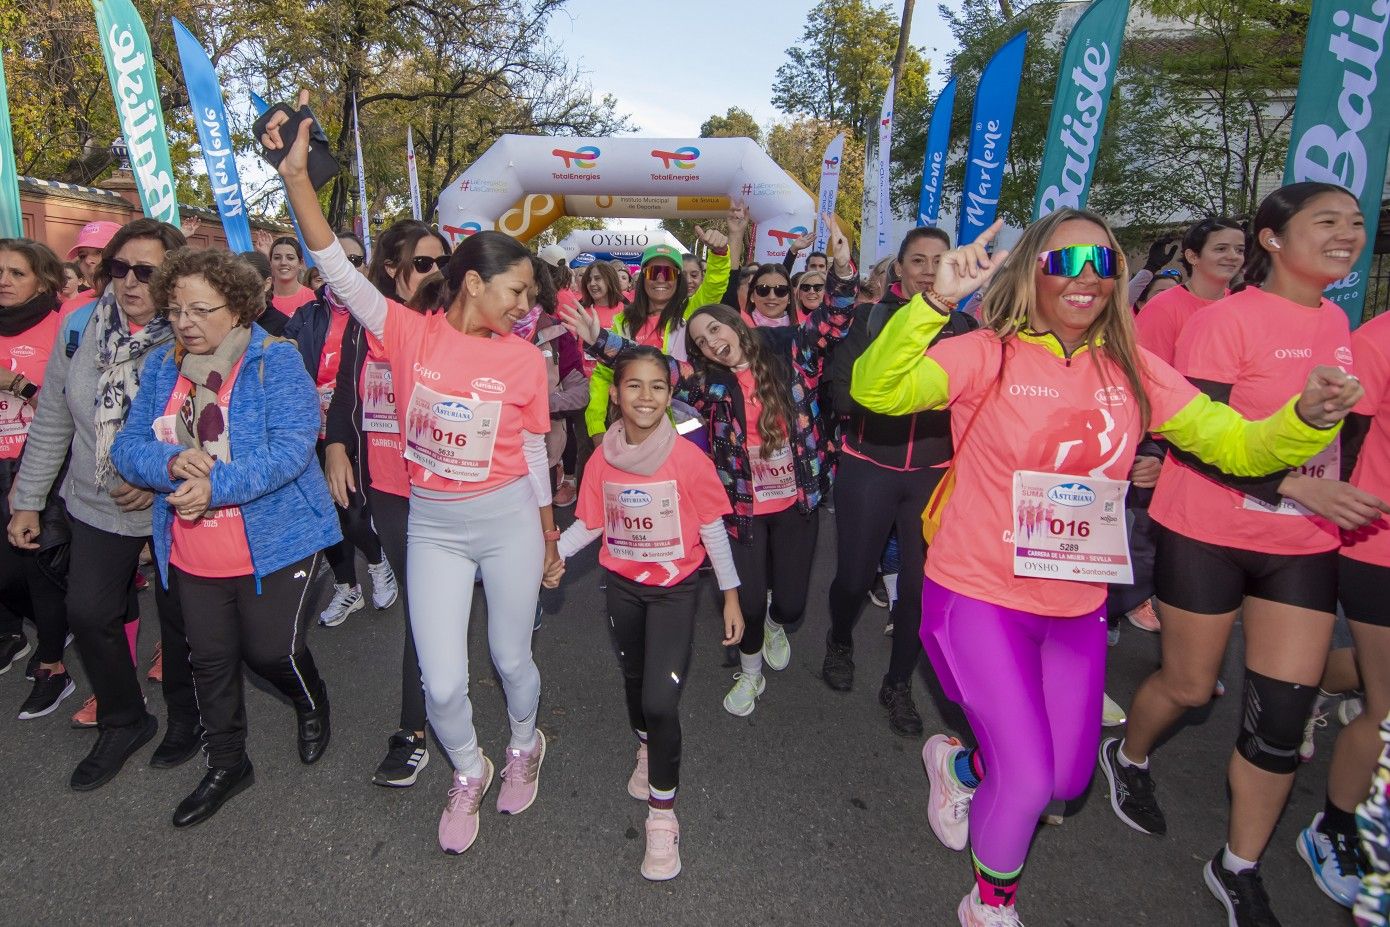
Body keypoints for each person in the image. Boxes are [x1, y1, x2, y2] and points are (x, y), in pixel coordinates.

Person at [850, 209, 1361, 926]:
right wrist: (935, 302)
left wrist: (1304, 418)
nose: (1086, 277)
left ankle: (959, 766)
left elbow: (1238, 447)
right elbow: (876, 390)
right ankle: (989, 905)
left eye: (1104, 262)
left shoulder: (1135, 369)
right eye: (1066, 262)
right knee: (1027, 779)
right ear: (1032, 272)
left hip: (1075, 606)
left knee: (1066, 777)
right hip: (977, 594)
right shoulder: (988, 353)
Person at [1085, 183, 1383, 927]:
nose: (1347, 234)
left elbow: (1346, 432)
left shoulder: (1340, 322)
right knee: (1190, 687)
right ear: (1273, 239)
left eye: (1354, 223)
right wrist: (1298, 485)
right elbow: (1197, 440)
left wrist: (1330, 489)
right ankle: (1129, 755)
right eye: (1327, 221)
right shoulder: (1222, 321)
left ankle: (1238, 865)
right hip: (1207, 530)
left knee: (1281, 717)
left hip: (1300, 543)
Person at [267, 94, 556, 855]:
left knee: (511, 658)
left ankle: (524, 740)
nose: (526, 305)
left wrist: (549, 533)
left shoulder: (525, 360)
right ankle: (469, 766)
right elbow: (335, 265)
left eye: (531, 296)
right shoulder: (405, 332)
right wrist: (296, 180)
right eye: (518, 291)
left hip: (508, 520)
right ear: (474, 283)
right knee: (443, 680)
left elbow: (533, 451)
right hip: (433, 525)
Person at [564, 214, 856, 718]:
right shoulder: (708, 382)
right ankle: (750, 670)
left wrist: (844, 269)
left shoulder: (791, 352)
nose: (711, 341)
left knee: (788, 603)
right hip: (743, 508)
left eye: (715, 328)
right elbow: (653, 364)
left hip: (797, 502)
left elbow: (832, 321)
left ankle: (775, 624)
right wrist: (599, 341)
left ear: (736, 324)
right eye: (700, 340)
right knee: (748, 600)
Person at [110, 246, 338, 826]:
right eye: (175, 310)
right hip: (193, 549)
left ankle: (310, 700)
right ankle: (228, 763)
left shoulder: (274, 360)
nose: (184, 322)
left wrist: (216, 486)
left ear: (236, 308)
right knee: (209, 661)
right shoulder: (163, 367)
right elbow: (128, 448)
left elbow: (291, 449)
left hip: (276, 539)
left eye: (199, 309)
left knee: (270, 652)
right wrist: (168, 465)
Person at [9, 217, 201, 789]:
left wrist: (156, 475)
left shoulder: (195, 331)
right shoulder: (80, 327)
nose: (130, 281)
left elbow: (217, 428)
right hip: (95, 500)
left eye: (146, 271)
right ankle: (124, 719)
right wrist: (27, 500)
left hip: (178, 503)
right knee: (89, 613)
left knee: (184, 620)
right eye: (120, 267)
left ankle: (188, 717)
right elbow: (53, 416)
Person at [547, 345, 743, 880]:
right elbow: (593, 523)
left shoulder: (689, 459)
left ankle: (662, 815)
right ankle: (644, 747)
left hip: (675, 592)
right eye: (634, 385)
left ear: (669, 395)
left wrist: (730, 594)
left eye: (657, 387)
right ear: (615, 393)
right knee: (635, 679)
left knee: (660, 701)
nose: (646, 397)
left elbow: (712, 527)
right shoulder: (600, 459)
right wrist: (555, 557)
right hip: (622, 588)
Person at [822, 225, 973, 737]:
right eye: (918, 261)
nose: (929, 271)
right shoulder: (869, 318)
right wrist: (906, 393)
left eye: (939, 261)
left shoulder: (966, 328)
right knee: (853, 577)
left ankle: (899, 683)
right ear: (900, 269)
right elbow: (843, 395)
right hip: (869, 466)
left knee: (919, 589)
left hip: (934, 475)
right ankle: (839, 639)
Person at [319, 219, 450, 785]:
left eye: (443, 262)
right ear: (392, 267)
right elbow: (347, 388)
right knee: (425, 604)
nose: (436, 272)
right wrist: (338, 445)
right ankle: (424, 716)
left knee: (426, 605)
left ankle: (412, 730)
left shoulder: (452, 319)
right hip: (389, 485)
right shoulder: (364, 322)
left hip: (442, 486)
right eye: (424, 263)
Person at [1296, 303, 1390, 908]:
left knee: (1369, 669)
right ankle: (1332, 829)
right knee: (1388, 711)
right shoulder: (1379, 340)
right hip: (1379, 544)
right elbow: (1338, 442)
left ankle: (1303, 686)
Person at [285, 230, 400, 626]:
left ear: (364, 267)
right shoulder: (307, 314)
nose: (345, 268)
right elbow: (284, 356)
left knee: (351, 512)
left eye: (353, 260)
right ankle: (347, 587)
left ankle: (378, 562)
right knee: (323, 516)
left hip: (357, 429)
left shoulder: (376, 314)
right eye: (338, 260)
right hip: (309, 431)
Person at [0, 239, 74, 719]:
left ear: (43, 280)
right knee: (6, 573)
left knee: (38, 569)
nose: (3, 281)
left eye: (16, 273)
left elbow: (73, 403)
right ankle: (40, 629)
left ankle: (53, 666)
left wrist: (16, 384)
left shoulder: (63, 325)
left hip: (42, 464)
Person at [581, 212, 737, 438]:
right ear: (643, 278)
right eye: (654, 272)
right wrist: (596, 427)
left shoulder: (690, 314)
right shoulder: (623, 322)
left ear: (678, 280)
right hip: (634, 426)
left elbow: (714, 285)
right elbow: (603, 375)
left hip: (683, 431)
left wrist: (720, 254)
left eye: (669, 273)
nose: (661, 279)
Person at [1134, 217, 1245, 366]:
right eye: (1221, 249)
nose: (1233, 256)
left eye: (1239, 250)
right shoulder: (1162, 309)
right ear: (1192, 256)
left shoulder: (1243, 307)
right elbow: (1147, 372)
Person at [62, 220, 120, 309]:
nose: (88, 261)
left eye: (99, 252)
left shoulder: (141, 309)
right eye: (82, 256)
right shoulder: (73, 310)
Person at [269, 236, 316, 315]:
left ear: (300, 263)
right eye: (277, 258)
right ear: (270, 262)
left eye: (290, 258)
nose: (283, 262)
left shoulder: (314, 299)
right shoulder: (260, 301)